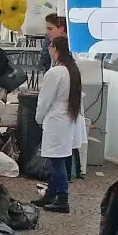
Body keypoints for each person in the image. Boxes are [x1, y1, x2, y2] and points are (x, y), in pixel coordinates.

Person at [34, 36, 82, 213]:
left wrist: (38, 118)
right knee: (58, 158)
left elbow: (45, 99)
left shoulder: (55, 73)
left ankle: (62, 198)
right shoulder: (72, 70)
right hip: (67, 118)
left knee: (56, 161)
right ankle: (51, 194)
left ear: (57, 49)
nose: (48, 50)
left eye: (50, 46)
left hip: (56, 118)